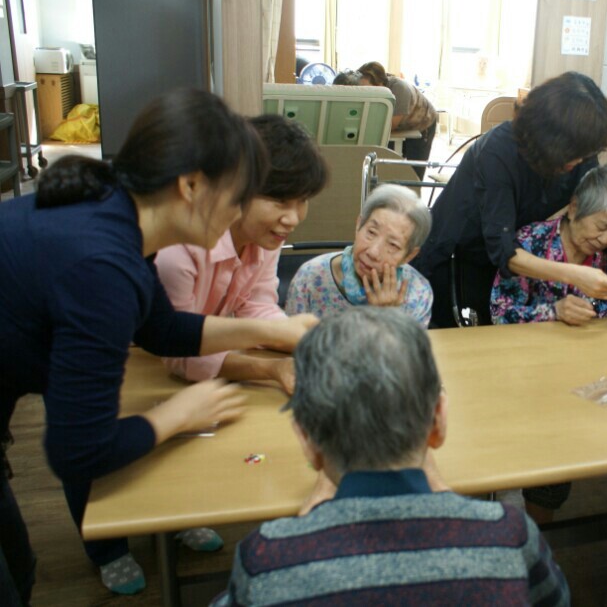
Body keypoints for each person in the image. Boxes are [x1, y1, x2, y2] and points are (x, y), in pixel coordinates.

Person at [0, 89, 317, 598]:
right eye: (239, 196)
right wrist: (178, 416)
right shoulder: (102, 269)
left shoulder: (119, 219)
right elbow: (78, 452)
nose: (238, 214)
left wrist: (273, 330)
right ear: (191, 186)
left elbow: (163, 328)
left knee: (19, 568)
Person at [211, 307, 571, 606]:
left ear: (307, 441)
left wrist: (303, 531)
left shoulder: (266, 557)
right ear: (439, 421)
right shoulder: (508, 534)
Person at [413, 71, 607, 328]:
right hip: (457, 257)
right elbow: (507, 254)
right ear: (552, 144)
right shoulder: (497, 155)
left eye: (585, 155)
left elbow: (602, 209)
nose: (581, 163)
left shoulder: (579, 150)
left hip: (509, 264)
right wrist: (575, 275)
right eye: (575, 157)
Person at [156, 114, 328, 395]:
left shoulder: (264, 235)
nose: (293, 218)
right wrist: (270, 369)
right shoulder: (179, 250)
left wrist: (311, 341)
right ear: (235, 187)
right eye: (279, 200)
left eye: (303, 200)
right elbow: (177, 350)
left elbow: (256, 307)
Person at [491, 159, 607, 326]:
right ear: (574, 208)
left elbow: (597, 308)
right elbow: (499, 314)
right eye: (601, 226)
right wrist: (555, 312)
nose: (605, 239)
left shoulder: (602, 253)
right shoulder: (531, 242)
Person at [285, 184, 433, 327]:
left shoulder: (418, 292)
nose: (373, 252)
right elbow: (289, 344)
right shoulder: (311, 276)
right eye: (371, 232)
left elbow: (408, 352)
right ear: (359, 225)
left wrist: (388, 319)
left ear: (409, 255)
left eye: (393, 245)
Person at [354, 61, 438, 178]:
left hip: (423, 122)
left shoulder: (399, 89)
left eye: (369, 89)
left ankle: (412, 194)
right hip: (402, 125)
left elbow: (391, 125)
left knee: (414, 170)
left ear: (380, 83)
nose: (366, 94)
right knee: (389, 162)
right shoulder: (373, 88)